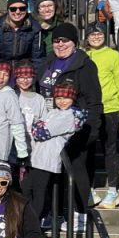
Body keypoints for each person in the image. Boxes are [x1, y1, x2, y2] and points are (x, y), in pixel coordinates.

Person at [37, 23, 103, 221]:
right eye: (56, 40)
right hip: (50, 126)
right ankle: (54, 213)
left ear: (74, 42)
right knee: (51, 171)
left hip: (76, 127)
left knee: (75, 170)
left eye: (65, 40)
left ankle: (81, 214)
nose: (60, 44)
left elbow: (94, 100)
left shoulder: (84, 64)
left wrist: (92, 129)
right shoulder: (48, 62)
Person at [24, 81, 86, 222]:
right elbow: (38, 127)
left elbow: (41, 132)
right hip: (37, 156)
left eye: (66, 98)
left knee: (39, 190)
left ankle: (33, 223)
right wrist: (38, 126)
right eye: (58, 98)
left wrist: (38, 126)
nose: (62, 101)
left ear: (73, 99)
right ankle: (29, 221)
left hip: (48, 159)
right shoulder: (54, 112)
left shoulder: (69, 115)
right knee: (28, 188)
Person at [85, 24, 119, 209]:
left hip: (110, 108)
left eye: (99, 33)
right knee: (86, 150)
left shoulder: (113, 55)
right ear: (86, 37)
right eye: (92, 34)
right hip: (88, 110)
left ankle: (112, 191)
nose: (96, 37)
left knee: (109, 149)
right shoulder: (84, 56)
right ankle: (89, 190)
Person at [0, 0, 42, 67]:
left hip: (24, 69)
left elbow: (37, 58)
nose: (17, 12)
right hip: (2, 68)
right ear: (8, 10)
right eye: (13, 9)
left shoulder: (34, 28)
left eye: (22, 8)